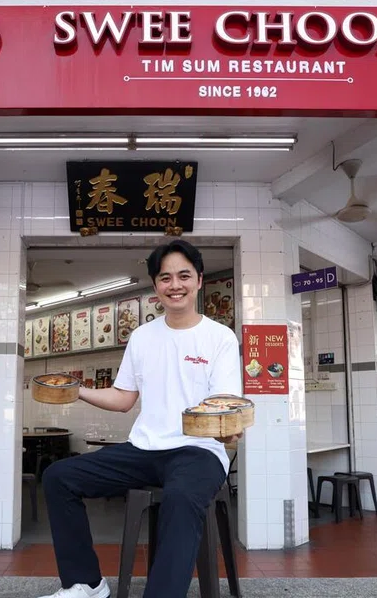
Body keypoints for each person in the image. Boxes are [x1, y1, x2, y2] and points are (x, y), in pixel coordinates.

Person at [38, 239, 243, 598]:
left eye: (183, 275)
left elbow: (224, 407)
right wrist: (78, 390)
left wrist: (229, 436)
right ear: (155, 285)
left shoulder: (220, 338)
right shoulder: (142, 337)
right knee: (59, 477)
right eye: (165, 278)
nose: (174, 285)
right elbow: (123, 399)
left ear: (199, 280)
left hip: (200, 452)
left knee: (180, 498)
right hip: (144, 448)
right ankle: (85, 584)